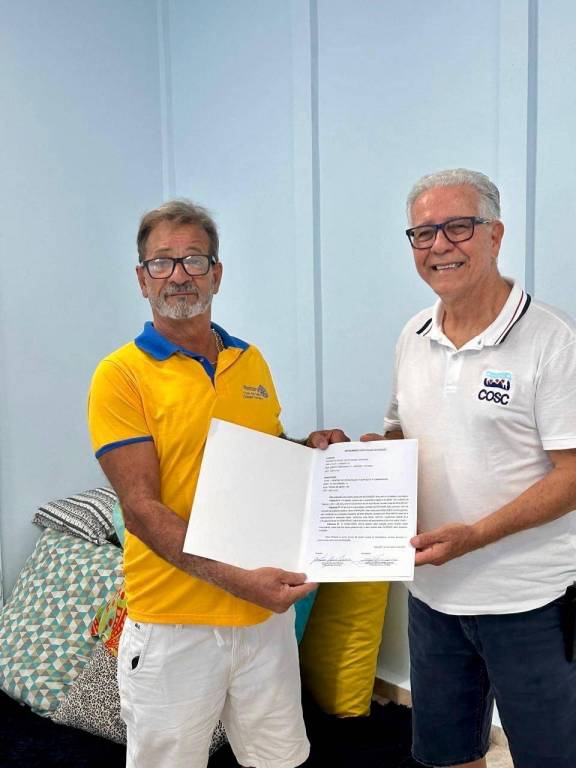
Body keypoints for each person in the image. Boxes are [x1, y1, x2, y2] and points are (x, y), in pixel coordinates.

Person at [87, 199, 347, 768]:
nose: (179, 274)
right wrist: (239, 580)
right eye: (162, 262)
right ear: (142, 279)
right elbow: (141, 510)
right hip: (173, 624)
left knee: (280, 760)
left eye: (195, 260)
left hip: (262, 622)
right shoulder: (120, 375)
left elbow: (264, 458)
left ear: (217, 274)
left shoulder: (249, 361)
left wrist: (311, 451)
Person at [362, 169, 576, 768]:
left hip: (530, 602)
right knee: (447, 756)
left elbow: (572, 474)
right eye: (423, 233)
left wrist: (475, 536)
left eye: (458, 227)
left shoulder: (552, 340)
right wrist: (360, 462)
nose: (439, 245)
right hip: (432, 598)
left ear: (495, 235)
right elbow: (400, 432)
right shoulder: (413, 334)